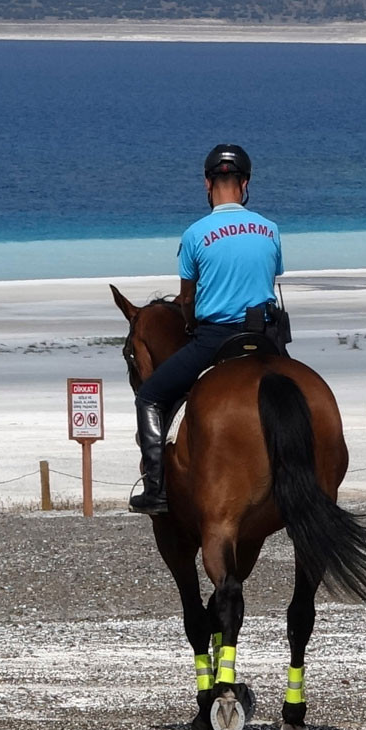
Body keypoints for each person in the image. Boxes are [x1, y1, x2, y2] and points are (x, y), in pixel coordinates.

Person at [129, 144, 283, 515]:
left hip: (216, 339)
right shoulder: (270, 229)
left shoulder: (196, 234)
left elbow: (187, 300)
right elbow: (270, 275)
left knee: (149, 396)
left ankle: (156, 488)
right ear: (245, 184)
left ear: (206, 183)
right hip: (264, 336)